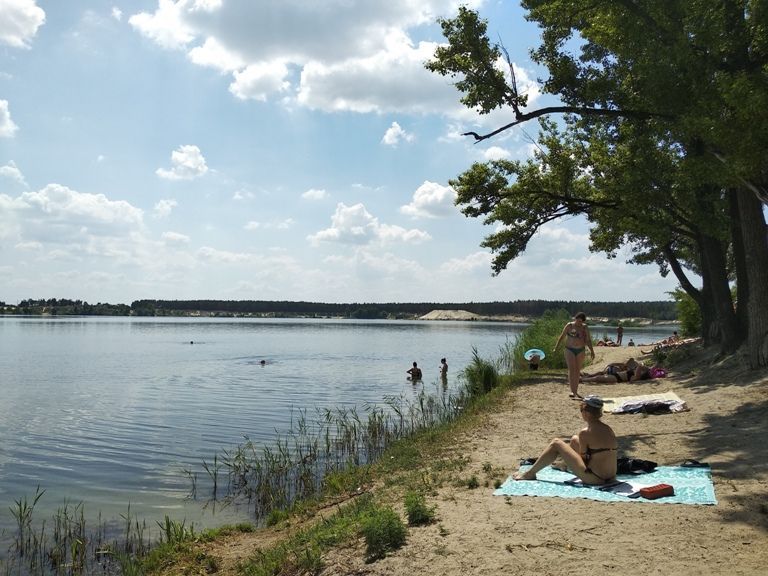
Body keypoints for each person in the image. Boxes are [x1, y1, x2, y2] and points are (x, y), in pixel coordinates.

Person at [514, 395, 617, 485]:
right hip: (611, 478)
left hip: (595, 479)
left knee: (556, 443)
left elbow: (584, 459)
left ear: (586, 412)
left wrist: (568, 457)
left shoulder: (585, 432)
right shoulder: (609, 429)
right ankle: (563, 465)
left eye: (581, 410)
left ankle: (530, 473)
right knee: (574, 439)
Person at [554, 312, 595, 399]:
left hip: (580, 350)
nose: (578, 323)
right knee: (572, 369)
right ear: (575, 319)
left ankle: (575, 391)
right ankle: (572, 391)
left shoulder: (584, 327)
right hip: (569, 349)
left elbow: (588, 340)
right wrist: (556, 348)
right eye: (577, 320)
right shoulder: (569, 326)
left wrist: (592, 351)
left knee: (577, 370)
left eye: (581, 321)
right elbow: (562, 336)